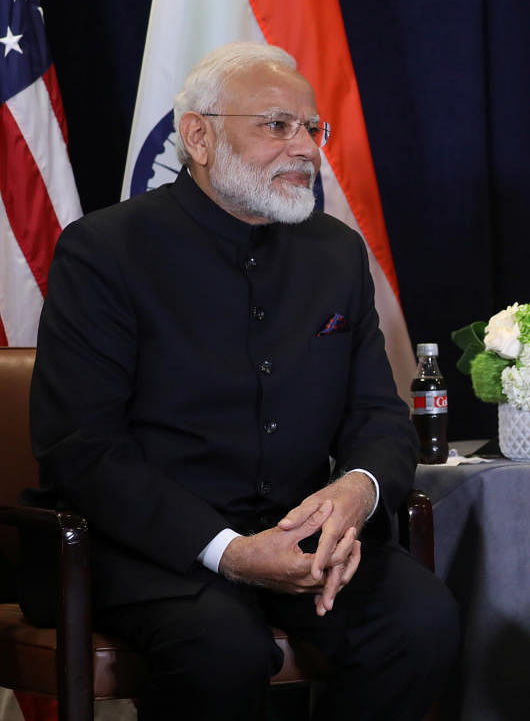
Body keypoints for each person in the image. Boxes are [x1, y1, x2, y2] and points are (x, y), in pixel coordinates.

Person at [29, 42, 458, 720]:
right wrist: (229, 551)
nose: (305, 148)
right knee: (222, 647)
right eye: (276, 125)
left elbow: (377, 414)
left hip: (298, 531)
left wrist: (357, 490)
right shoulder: (105, 251)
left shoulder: (335, 252)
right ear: (198, 136)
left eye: (311, 128)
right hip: (145, 544)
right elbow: (83, 449)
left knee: (419, 620)